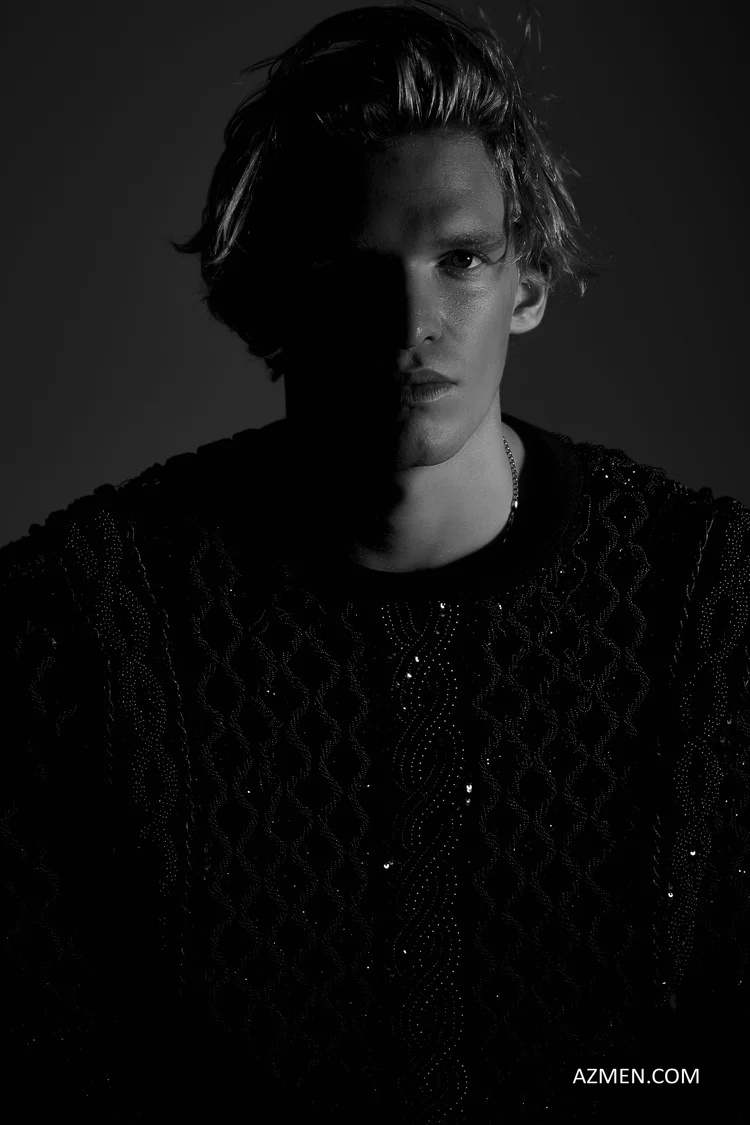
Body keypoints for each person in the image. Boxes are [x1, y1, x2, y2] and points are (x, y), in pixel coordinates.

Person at [2, 2, 748, 1121]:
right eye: (354, 270)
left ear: (528, 284)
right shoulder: (77, 626)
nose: (411, 324)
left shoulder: (708, 603)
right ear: (275, 293)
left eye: (461, 260)